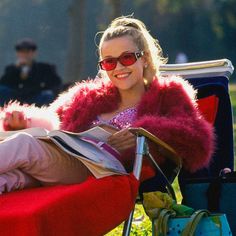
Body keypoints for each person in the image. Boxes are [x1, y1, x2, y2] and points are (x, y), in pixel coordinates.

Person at [0, 16, 214, 194]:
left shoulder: (168, 94)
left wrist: (145, 134)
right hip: (64, 160)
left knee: (24, 145)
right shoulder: (87, 96)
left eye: (128, 58)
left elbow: (196, 139)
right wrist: (22, 121)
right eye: (109, 61)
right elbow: (51, 120)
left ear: (146, 58)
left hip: (100, 169)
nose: (119, 67)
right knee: (11, 178)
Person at [0, 38, 62, 107]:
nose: (24, 55)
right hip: (15, 98)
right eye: (21, 52)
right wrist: (16, 69)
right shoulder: (11, 68)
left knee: (48, 95)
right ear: (17, 53)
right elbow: (4, 83)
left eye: (27, 52)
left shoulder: (44, 68)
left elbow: (56, 84)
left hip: (35, 97)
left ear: (34, 53)